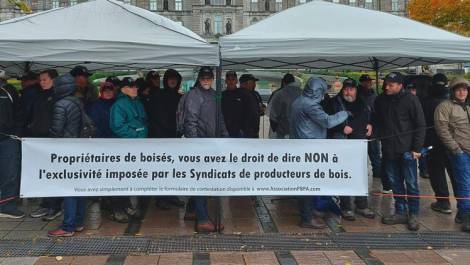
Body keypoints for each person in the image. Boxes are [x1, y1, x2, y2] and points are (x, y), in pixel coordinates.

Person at [289, 77, 349, 229]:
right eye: (322, 91)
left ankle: (307, 215)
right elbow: (327, 122)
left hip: (299, 147)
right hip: (309, 149)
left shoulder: (298, 101)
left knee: (303, 184)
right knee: (308, 185)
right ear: (318, 91)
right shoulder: (310, 105)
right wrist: (344, 114)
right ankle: (307, 218)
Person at [374, 72, 426, 231]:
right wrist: (372, 127)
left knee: (411, 183)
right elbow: (376, 119)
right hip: (389, 149)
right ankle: (400, 211)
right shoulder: (381, 100)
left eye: (390, 84)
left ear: (399, 85)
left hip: (408, 150)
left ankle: (414, 214)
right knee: (395, 183)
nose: (387, 87)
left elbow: (420, 124)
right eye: (386, 84)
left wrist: (416, 148)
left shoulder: (411, 99)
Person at [183, 66, 228, 233]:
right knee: (202, 181)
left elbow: (220, 117)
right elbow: (190, 122)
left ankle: (191, 211)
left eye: (209, 77)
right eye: (204, 77)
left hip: (213, 143)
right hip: (201, 144)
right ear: (199, 78)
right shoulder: (194, 94)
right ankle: (202, 219)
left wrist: (226, 136)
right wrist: (195, 145)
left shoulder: (215, 93)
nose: (206, 80)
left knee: (205, 180)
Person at [325, 78, 375, 221]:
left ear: (356, 90)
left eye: (351, 89)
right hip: (342, 143)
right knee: (344, 174)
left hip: (359, 143)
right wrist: (341, 127)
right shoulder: (334, 102)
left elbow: (372, 116)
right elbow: (326, 121)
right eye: (346, 89)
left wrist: (371, 124)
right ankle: (346, 207)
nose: (348, 92)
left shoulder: (363, 101)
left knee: (360, 173)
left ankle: (362, 205)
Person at [47, 74, 85, 237]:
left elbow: (56, 129)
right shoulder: (78, 101)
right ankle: (78, 222)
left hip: (66, 150)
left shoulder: (60, 104)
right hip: (79, 148)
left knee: (69, 187)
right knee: (80, 187)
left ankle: (68, 226)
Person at [435, 77, 470, 232]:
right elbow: (442, 130)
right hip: (459, 152)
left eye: (465, 89)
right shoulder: (444, 106)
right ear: (453, 91)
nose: (462, 92)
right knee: (464, 183)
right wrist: (456, 149)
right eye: (458, 89)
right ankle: (465, 213)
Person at [28, 69, 64, 221]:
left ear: (53, 80)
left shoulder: (58, 97)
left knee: (54, 174)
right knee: (43, 174)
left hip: (53, 140)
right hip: (38, 140)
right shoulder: (38, 96)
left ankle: (54, 206)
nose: (41, 82)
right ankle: (45, 204)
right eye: (40, 80)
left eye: (45, 79)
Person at [147, 69, 185, 210]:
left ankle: (172, 195)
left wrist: (179, 131)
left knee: (173, 169)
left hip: (174, 138)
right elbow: (156, 117)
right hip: (161, 139)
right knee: (161, 170)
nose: (173, 81)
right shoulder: (158, 95)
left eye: (175, 79)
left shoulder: (179, 97)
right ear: (166, 80)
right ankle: (161, 198)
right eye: (170, 79)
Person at [110, 77, 148, 219]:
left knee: (133, 177)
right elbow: (117, 126)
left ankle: (130, 206)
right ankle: (119, 209)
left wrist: (142, 133)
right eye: (131, 86)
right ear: (123, 89)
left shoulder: (137, 102)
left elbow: (143, 122)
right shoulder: (119, 105)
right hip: (125, 148)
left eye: (135, 86)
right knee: (122, 178)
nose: (135, 89)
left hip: (138, 147)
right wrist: (136, 133)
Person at [423, 74, 455, 215]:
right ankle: (463, 203)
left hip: (433, 143)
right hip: (453, 143)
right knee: (456, 173)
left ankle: (443, 202)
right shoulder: (452, 101)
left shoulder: (426, 101)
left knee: (437, 173)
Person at [358, 74, 389, 191]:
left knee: (375, 152)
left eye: (369, 81)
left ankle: (377, 173)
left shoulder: (374, 95)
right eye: (365, 81)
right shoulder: (358, 94)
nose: (368, 83)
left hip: (374, 128)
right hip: (360, 128)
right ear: (361, 82)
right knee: (360, 153)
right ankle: (360, 174)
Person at [0, 71, 24, 219]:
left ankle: (7, 206)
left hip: (8, 139)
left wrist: (17, 133)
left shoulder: (9, 90)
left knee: (10, 173)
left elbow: (19, 113)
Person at [222, 71, 259, 138]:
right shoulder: (222, 95)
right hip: (226, 131)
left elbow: (252, 113)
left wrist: (250, 131)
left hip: (242, 132)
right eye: (229, 79)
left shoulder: (245, 94)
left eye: (233, 79)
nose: (231, 81)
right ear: (226, 81)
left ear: (236, 81)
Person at [269, 73, 301, 139]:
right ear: (293, 81)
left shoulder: (279, 94)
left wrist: (275, 128)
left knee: (282, 148)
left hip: (283, 131)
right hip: (300, 130)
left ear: (283, 82)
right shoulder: (302, 93)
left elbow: (273, 115)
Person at [239, 74, 261, 138]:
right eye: (251, 83)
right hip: (243, 131)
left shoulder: (255, 94)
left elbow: (260, 106)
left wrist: (261, 109)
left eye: (254, 83)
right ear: (243, 84)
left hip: (255, 130)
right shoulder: (239, 94)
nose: (254, 85)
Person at [20, 71, 40, 136]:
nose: (21, 83)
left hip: (29, 124)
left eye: (23, 81)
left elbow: (26, 110)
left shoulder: (30, 92)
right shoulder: (39, 90)